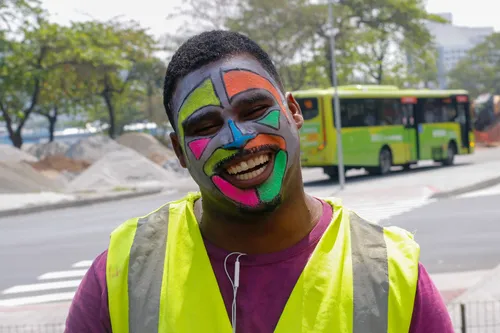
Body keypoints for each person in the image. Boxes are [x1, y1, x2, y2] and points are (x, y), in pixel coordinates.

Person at [65, 30, 454, 333]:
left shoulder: (391, 275)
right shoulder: (121, 276)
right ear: (180, 151)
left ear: (294, 111)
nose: (237, 138)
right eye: (206, 126)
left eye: (254, 109)